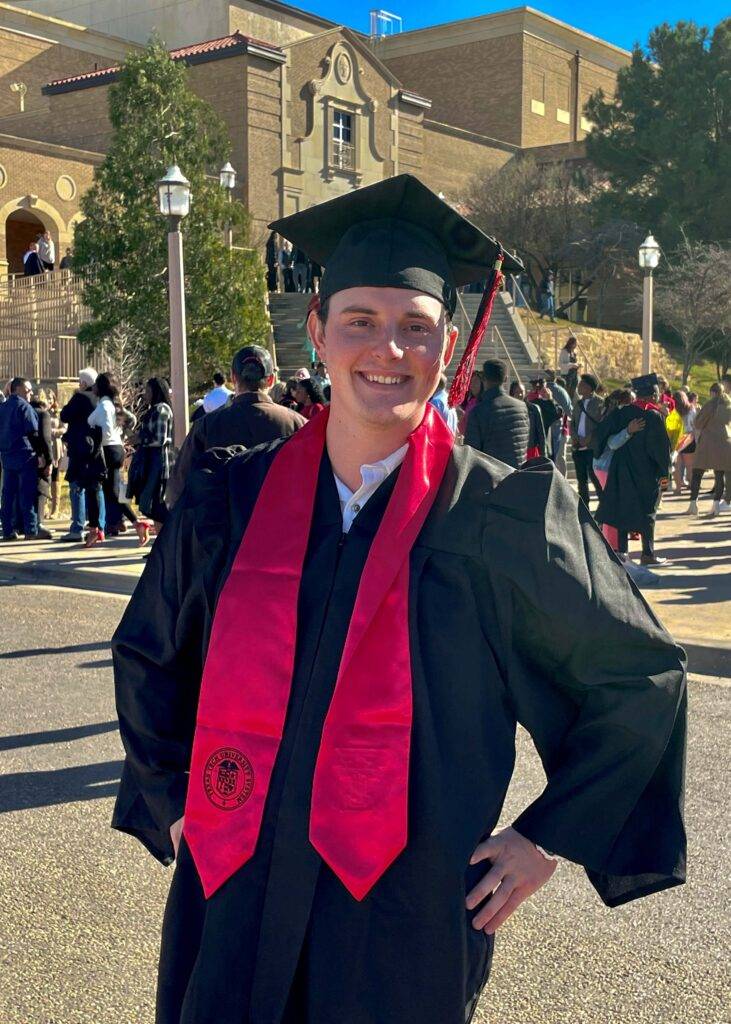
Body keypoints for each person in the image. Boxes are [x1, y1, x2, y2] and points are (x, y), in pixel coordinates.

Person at [112, 175, 686, 1024]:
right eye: (360, 322)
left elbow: (637, 675)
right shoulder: (231, 503)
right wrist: (172, 801)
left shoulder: (502, 516)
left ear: (446, 343)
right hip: (236, 878)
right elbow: (151, 650)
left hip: (403, 907)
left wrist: (544, 836)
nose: (388, 349)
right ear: (316, 333)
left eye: (415, 327)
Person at [165, 345, 306, 509]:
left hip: (220, 529)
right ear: (271, 380)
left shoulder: (206, 426)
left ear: (233, 378)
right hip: (281, 526)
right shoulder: (298, 424)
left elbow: (177, 488)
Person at [595, 374, 671, 566]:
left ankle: (622, 553)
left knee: (622, 509)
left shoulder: (622, 413)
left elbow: (604, 437)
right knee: (648, 512)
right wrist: (665, 477)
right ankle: (647, 554)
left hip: (622, 471)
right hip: (647, 474)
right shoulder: (654, 417)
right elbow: (661, 451)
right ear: (652, 394)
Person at [88, 373, 148, 544]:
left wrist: (98, 432)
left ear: (99, 388)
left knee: (95, 489)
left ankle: (96, 528)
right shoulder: (114, 405)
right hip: (116, 448)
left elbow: (100, 426)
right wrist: (121, 434)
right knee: (112, 493)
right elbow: (132, 419)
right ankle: (135, 523)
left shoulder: (104, 406)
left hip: (106, 450)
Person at [0, 378, 52, 540]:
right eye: (27, 389)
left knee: (8, 495)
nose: (31, 393)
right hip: (25, 455)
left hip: (7, 456)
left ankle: (8, 529)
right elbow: (33, 433)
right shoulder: (24, 407)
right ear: (16, 389)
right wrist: (41, 455)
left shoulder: (3, 407)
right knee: (26, 494)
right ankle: (31, 529)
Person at [58, 368, 106, 544]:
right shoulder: (100, 400)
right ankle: (99, 525)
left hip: (79, 449)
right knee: (96, 488)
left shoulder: (80, 398)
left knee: (76, 486)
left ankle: (77, 527)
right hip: (96, 449)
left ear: (83, 383)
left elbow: (64, 415)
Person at [126, 377, 173, 534]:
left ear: (156, 391)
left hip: (157, 462)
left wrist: (140, 439)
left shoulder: (161, 410)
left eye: (147, 390)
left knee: (157, 504)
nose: (144, 394)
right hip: (149, 460)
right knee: (151, 504)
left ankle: (164, 543)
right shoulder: (152, 410)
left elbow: (159, 439)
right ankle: (159, 545)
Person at [464, 358, 529, 468]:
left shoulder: (478, 411)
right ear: (506, 378)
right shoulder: (521, 407)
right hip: (517, 476)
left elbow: (471, 454)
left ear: (483, 378)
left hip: (490, 478)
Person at [685, 381, 731, 516]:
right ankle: (716, 505)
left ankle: (693, 505)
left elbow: (698, 423)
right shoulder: (729, 405)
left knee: (697, 472)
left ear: (713, 393)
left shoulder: (710, 405)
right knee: (719, 475)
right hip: (726, 443)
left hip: (708, 443)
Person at [570, 373, 604, 506]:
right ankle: (584, 508)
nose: (579, 387)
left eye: (582, 385)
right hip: (578, 448)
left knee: (596, 480)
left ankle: (603, 509)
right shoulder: (578, 404)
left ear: (590, 388)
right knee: (581, 481)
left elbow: (602, 425)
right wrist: (574, 438)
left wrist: (589, 439)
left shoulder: (600, 403)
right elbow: (572, 423)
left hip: (592, 448)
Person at [29, 390, 54, 527]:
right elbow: (46, 439)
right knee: (41, 488)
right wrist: (49, 460)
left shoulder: (26, 411)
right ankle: (39, 522)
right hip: (40, 457)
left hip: (25, 455)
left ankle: (25, 524)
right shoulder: (43, 414)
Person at [545, 370, 572, 475]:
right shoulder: (562, 392)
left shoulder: (542, 391)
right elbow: (570, 412)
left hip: (546, 429)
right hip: (562, 428)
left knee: (549, 458)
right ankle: (563, 483)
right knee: (560, 457)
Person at [509, 380, 545, 458]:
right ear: (512, 394)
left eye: (522, 391)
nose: (520, 394)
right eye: (516, 392)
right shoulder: (508, 411)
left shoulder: (534, 409)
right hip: (515, 453)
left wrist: (543, 455)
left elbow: (541, 435)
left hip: (531, 451)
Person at [672, 390, 696, 494]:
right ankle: (692, 485)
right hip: (689, 438)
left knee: (677, 466)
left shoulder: (673, 410)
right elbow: (694, 424)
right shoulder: (691, 409)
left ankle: (678, 488)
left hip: (676, 439)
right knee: (690, 466)